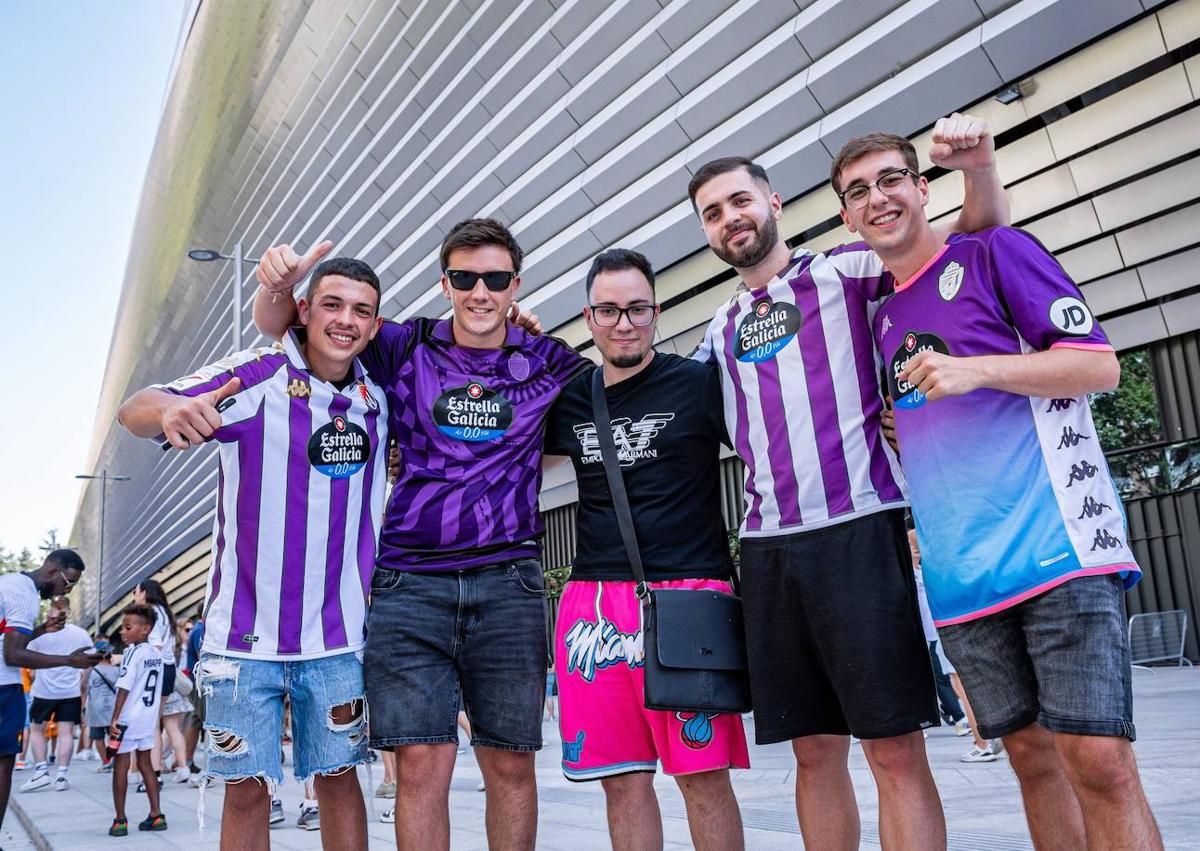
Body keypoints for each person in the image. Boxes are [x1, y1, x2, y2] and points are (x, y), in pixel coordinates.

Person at [832, 129, 1162, 849]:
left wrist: (978, 369)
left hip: (1058, 551)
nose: (878, 197)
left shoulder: (996, 251)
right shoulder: (877, 314)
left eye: (891, 179)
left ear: (922, 188)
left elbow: (1098, 365)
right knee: (1032, 761)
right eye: (857, 191)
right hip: (961, 580)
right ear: (848, 221)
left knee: (1101, 761)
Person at [687, 113, 1008, 849]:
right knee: (813, 748)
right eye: (713, 212)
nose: (730, 218)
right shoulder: (717, 328)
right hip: (768, 550)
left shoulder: (847, 268)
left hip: (861, 530)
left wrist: (979, 170)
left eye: (741, 200)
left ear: (773, 204)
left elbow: (970, 240)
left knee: (893, 745)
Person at [254, 218, 589, 851]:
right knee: (419, 768)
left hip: (509, 581)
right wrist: (276, 285)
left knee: (512, 765)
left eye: (495, 279)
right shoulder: (405, 345)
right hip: (410, 585)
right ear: (445, 283)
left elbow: (609, 407)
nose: (480, 292)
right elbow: (288, 329)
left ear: (516, 285)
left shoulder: (548, 361)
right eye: (465, 278)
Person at [118, 255, 388, 850]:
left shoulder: (380, 393)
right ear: (305, 311)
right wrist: (169, 410)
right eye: (332, 304)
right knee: (246, 791)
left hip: (339, 638)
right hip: (242, 642)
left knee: (341, 781)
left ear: (375, 325)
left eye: (361, 311)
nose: (345, 320)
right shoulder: (256, 375)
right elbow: (136, 406)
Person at [543, 248, 748, 850]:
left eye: (636, 309)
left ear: (656, 313)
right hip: (592, 606)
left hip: (690, 598)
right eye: (608, 311)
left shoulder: (700, 384)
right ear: (589, 318)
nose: (623, 323)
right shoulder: (573, 399)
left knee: (703, 776)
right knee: (622, 781)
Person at [0, 549, 99, 828]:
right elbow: (14, 655)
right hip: (3, 687)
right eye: (69, 583)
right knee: (4, 761)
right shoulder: (25, 595)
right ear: (53, 572)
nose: (66, 590)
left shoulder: (10, 582)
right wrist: (70, 660)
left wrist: (42, 630)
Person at [20, 596, 93, 792]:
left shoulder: (41, 634)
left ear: (51, 611)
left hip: (43, 691)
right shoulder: (80, 634)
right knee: (66, 733)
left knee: (37, 730)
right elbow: (90, 661)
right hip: (70, 691)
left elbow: (28, 659)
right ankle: (61, 776)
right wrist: (82, 683)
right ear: (68, 612)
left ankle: (41, 771)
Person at [108, 604, 166, 835]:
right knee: (146, 765)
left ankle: (120, 820)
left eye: (128, 627)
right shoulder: (156, 654)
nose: (123, 631)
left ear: (145, 629)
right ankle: (156, 814)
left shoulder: (132, 653)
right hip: (147, 718)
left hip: (127, 719)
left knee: (120, 767)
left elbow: (124, 687)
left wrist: (114, 719)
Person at [133, 580, 189, 783]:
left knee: (151, 724)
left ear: (145, 593)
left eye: (136, 592)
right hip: (167, 670)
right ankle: (157, 771)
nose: (135, 596)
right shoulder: (166, 614)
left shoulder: (151, 613)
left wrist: (130, 658)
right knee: (157, 724)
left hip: (154, 669)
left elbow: (154, 646)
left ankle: (153, 774)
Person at [84, 640, 119, 770]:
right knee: (113, 735)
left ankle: (106, 761)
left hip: (95, 708)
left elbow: (84, 688)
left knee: (97, 736)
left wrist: (82, 707)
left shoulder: (92, 670)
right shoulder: (117, 670)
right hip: (113, 707)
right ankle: (114, 760)